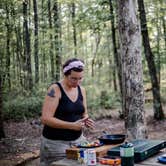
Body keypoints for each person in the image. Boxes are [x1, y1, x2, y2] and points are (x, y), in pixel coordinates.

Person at [40, 58, 95, 166]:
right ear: (65, 74)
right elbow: (45, 119)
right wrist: (71, 126)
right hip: (55, 144)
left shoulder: (81, 90)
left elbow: (84, 113)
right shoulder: (55, 89)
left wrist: (86, 120)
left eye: (80, 78)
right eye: (73, 78)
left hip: (78, 141)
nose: (77, 82)